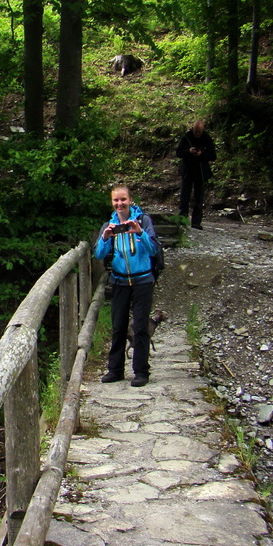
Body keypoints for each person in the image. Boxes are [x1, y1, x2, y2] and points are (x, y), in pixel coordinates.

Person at [93, 185, 160, 387]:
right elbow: (98, 255)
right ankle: (115, 370)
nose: (120, 204)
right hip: (120, 280)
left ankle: (141, 372)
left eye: (123, 199)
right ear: (112, 203)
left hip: (143, 280)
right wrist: (105, 237)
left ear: (131, 200)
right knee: (118, 326)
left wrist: (139, 233)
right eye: (116, 200)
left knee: (140, 327)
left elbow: (153, 250)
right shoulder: (110, 224)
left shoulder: (143, 221)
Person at [175, 120, 216, 229]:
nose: (197, 134)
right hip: (187, 170)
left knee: (199, 198)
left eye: (199, 132)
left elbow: (213, 156)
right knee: (184, 197)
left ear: (203, 130)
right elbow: (178, 153)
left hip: (201, 171)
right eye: (195, 131)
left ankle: (196, 222)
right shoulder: (187, 137)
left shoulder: (207, 139)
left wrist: (202, 154)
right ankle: (182, 220)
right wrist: (188, 151)